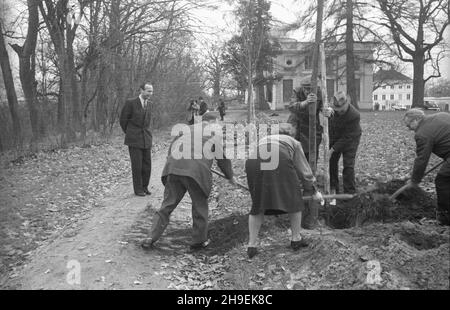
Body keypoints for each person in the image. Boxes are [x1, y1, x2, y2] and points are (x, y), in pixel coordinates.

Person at [141, 114, 236, 251]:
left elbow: (171, 150)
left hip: (173, 168)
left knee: (166, 206)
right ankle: (198, 242)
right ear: (213, 122)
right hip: (196, 172)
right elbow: (222, 159)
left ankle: (150, 237)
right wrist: (230, 176)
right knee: (200, 206)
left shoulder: (186, 129)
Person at [245, 123, 323, 259]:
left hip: (253, 162)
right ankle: (296, 239)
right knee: (294, 199)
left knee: (258, 204)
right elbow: (304, 171)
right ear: (291, 134)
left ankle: (251, 245)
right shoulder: (294, 142)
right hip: (279, 158)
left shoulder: (263, 140)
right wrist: (313, 191)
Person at [402, 109, 450, 226]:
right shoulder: (441, 115)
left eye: (409, 125)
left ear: (417, 119)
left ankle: (445, 216)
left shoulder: (422, 134)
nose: (409, 128)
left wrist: (414, 181)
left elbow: (422, 159)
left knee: (442, 180)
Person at [323, 91, 362, 195]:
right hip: (335, 137)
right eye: (337, 109)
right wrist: (325, 115)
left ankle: (350, 193)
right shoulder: (332, 111)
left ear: (347, 103)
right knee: (332, 162)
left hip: (351, 139)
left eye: (342, 109)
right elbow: (327, 125)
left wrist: (332, 149)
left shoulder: (354, 115)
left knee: (348, 166)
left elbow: (347, 137)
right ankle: (333, 188)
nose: (339, 111)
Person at [120, 82, 154, 196]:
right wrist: (130, 132)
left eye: (151, 91)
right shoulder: (131, 103)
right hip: (134, 139)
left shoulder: (150, 104)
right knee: (137, 165)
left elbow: (148, 122)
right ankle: (138, 189)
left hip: (146, 139)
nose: (150, 93)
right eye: (148, 91)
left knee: (147, 165)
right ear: (141, 90)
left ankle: (145, 187)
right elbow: (123, 120)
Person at [287, 78, 323, 162]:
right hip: (297, 125)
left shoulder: (320, 93)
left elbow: (325, 106)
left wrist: (328, 110)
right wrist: (305, 102)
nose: (307, 92)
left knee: (312, 153)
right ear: (302, 88)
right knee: (296, 153)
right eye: (305, 89)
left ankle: (311, 173)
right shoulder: (297, 91)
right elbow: (291, 106)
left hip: (313, 126)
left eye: (310, 89)